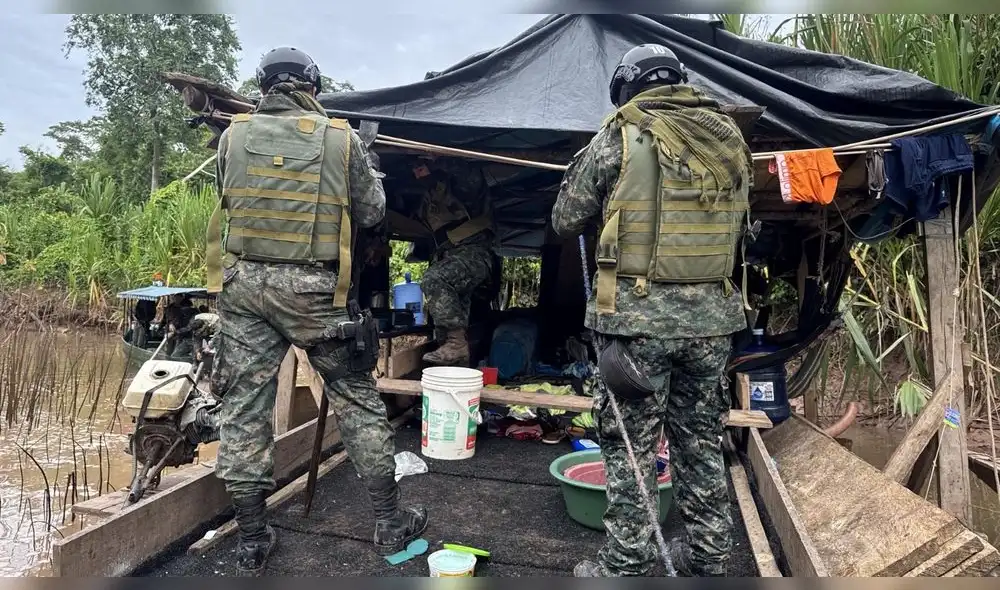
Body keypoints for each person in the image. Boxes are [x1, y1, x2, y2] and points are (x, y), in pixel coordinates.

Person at [207, 46, 426, 576]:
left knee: (243, 408)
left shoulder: (232, 135)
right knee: (356, 399)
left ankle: (252, 539)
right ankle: (389, 521)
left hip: (243, 286)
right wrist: (362, 165)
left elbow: (228, 197)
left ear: (263, 87)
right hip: (315, 293)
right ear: (312, 86)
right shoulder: (341, 139)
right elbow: (373, 212)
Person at [551, 44, 753, 577]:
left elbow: (565, 218)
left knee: (630, 444)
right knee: (699, 438)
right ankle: (709, 555)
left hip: (636, 325)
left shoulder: (620, 133)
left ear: (626, 87)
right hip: (712, 324)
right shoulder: (730, 137)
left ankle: (626, 564)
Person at [415, 161, 498, 366]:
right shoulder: (430, 197)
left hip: (474, 253)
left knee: (434, 279)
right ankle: (457, 358)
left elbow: (469, 174)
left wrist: (439, 159)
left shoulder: (461, 183)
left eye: (421, 166)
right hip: (451, 257)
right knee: (447, 331)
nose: (418, 172)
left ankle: (457, 344)